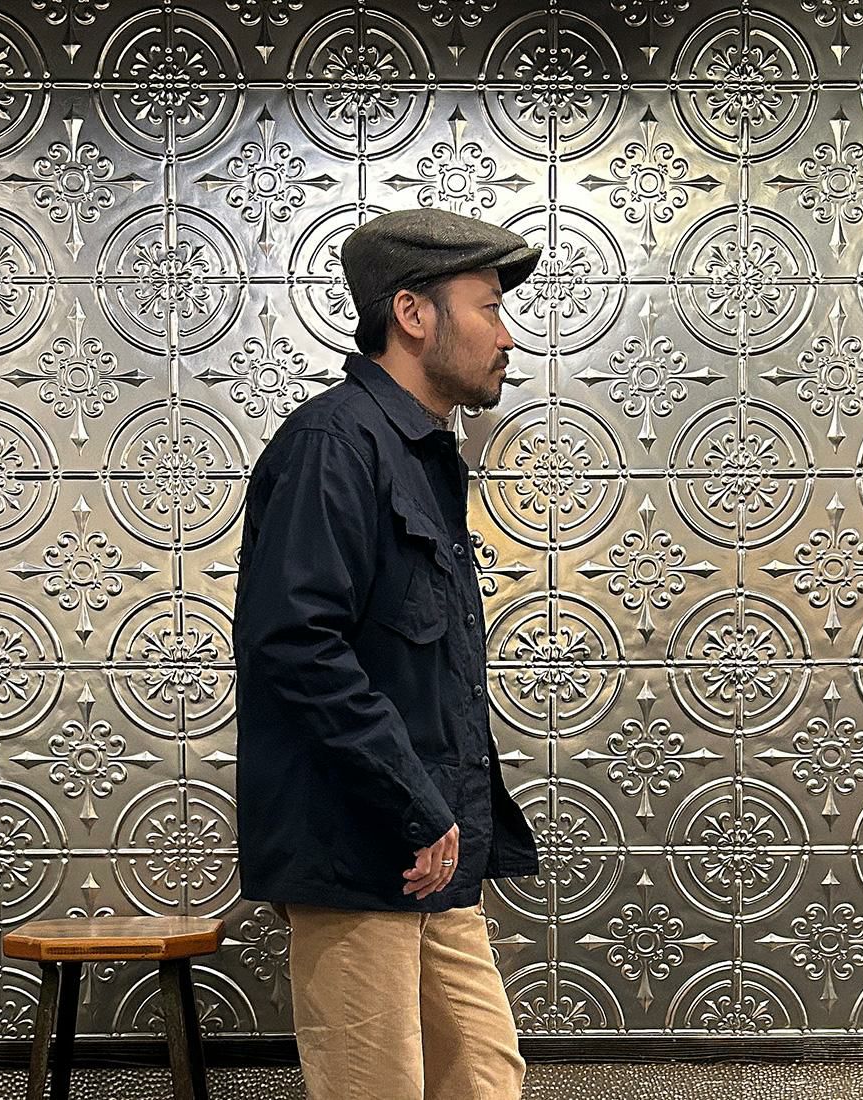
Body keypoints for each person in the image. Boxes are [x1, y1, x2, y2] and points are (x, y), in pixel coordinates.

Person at [233, 207, 542, 1100]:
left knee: (483, 1077)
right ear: (412, 313)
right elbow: (296, 643)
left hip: (430, 848)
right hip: (362, 848)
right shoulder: (334, 444)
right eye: (489, 308)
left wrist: (442, 814)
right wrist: (414, 804)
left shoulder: (417, 452)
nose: (506, 337)